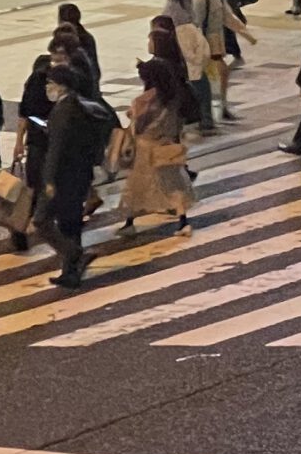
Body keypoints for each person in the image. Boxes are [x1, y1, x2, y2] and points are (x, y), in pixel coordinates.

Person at [35, 65, 116, 288]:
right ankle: (70, 273)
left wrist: (49, 180)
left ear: (61, 85)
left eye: (50, 83)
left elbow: (56, 149)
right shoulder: (79, 105)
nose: (47, 87)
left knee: (41, 219)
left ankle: (74, 254)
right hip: (79, 174)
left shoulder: (63, 110)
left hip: (62, 176)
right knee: (70, 223)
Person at [119, 59, 193, 237]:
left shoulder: (142, 102)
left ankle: (129, 221)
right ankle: (183, 221)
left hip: (145, 149)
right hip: (166, 147)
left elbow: (137, 127)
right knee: (173, 185)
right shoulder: (173, 98)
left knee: (136, 187)